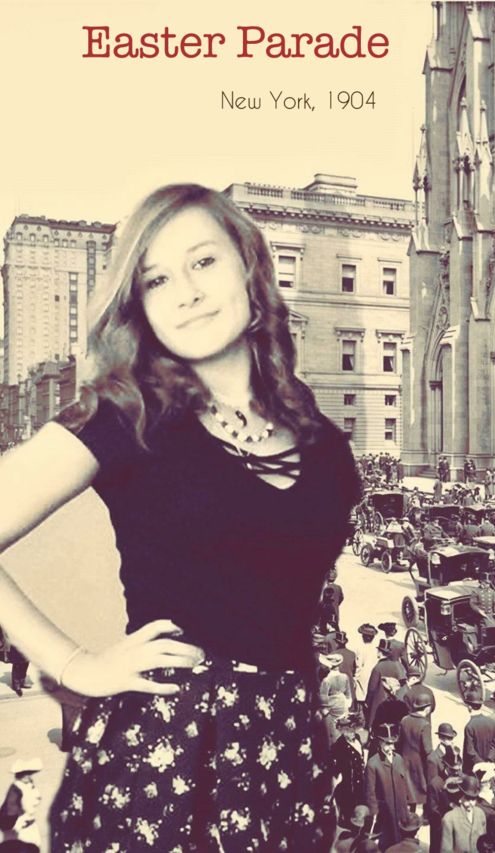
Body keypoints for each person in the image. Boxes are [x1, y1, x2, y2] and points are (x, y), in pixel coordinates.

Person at [0, 185, 361, 851]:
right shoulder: (125, 414)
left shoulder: (319, 435)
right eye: (157, 279)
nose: (186, 293)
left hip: (289, 752)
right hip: (166, 757)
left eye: (203, 261)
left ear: (250, 268)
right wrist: (73, 663)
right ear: (140, 306)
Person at [365, 723, 411, 851]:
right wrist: (374, 813)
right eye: (387, 743)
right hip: (385, 813)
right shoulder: (373, 764)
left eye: (392, 743)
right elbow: (370, 793)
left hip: (401, 810)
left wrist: (407, 804)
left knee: (402, 842)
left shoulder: (399, 759)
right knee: (388, 844)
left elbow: (405, 783)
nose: (391, 747)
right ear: (380, 743)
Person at [0, 758, 43, 851]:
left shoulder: (30, 784)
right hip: (21, 828)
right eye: (24, 774)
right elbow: (11, 808)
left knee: (36, 845)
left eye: (29, 773)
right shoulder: (16, 788)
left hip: (31, 823)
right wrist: (16, 821)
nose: (27, 776)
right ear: (19, 775)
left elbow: (37, 797)